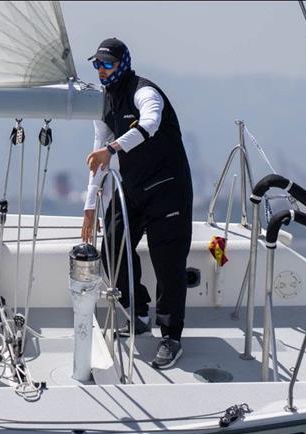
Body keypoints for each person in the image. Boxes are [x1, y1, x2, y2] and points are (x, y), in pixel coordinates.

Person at [82, 38, 193, 370]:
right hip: (132, 188)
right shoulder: (103, 104)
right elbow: (97, 156)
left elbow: (150, 124)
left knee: (167, 260)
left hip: (168, 188)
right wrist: (90, 206)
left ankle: (171, 337)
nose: (101, 71)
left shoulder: (145, 92)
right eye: (96, 65)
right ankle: (139, 311)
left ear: (123, 64)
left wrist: (114, 149)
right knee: (113, 245)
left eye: (107, 64)